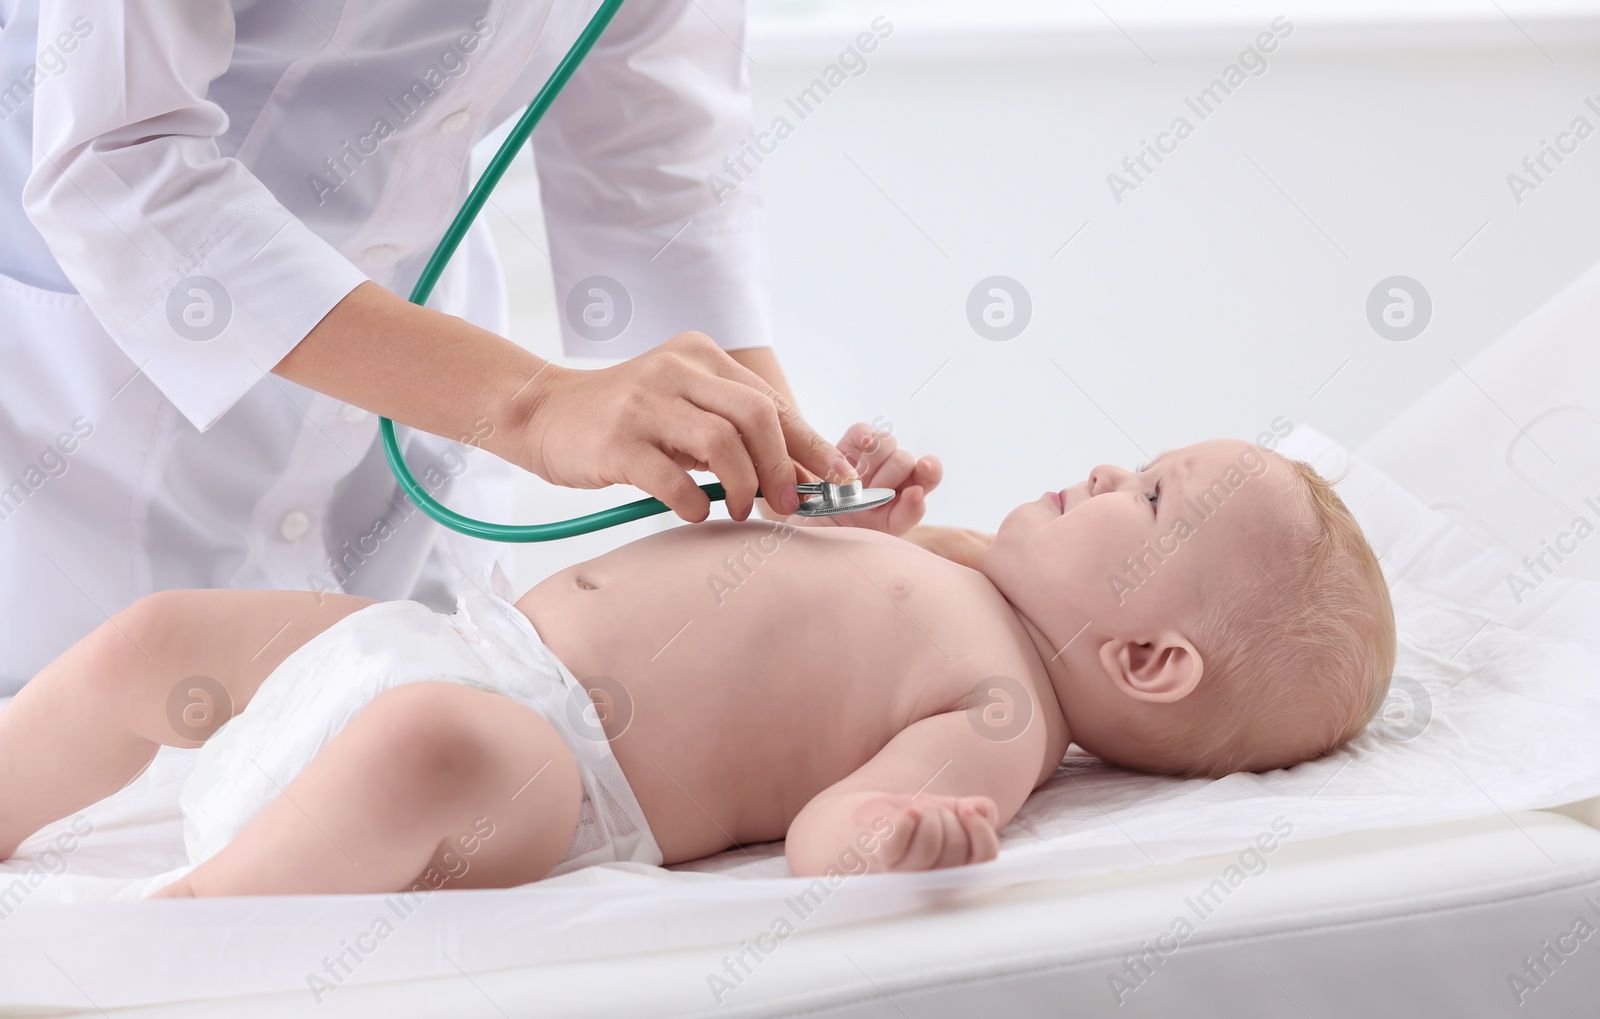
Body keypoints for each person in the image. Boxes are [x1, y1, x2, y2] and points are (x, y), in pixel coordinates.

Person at [0, 1, 967, 697]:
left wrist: (796, 502)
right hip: (75, 440)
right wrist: (528, 406)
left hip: (398, 446)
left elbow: (656, 176)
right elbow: (115, 161)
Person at [0, 439, 1397, 893]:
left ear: (1148, 657)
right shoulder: (959, 557)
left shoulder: (1000, 709)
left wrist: (899, 834)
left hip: (550, 765)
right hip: (451, 636)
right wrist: (829, 486)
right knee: (163, 635)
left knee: (421, 745)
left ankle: (172, 939)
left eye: (1145, 498)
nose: (1103, 469)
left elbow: (829, 835)